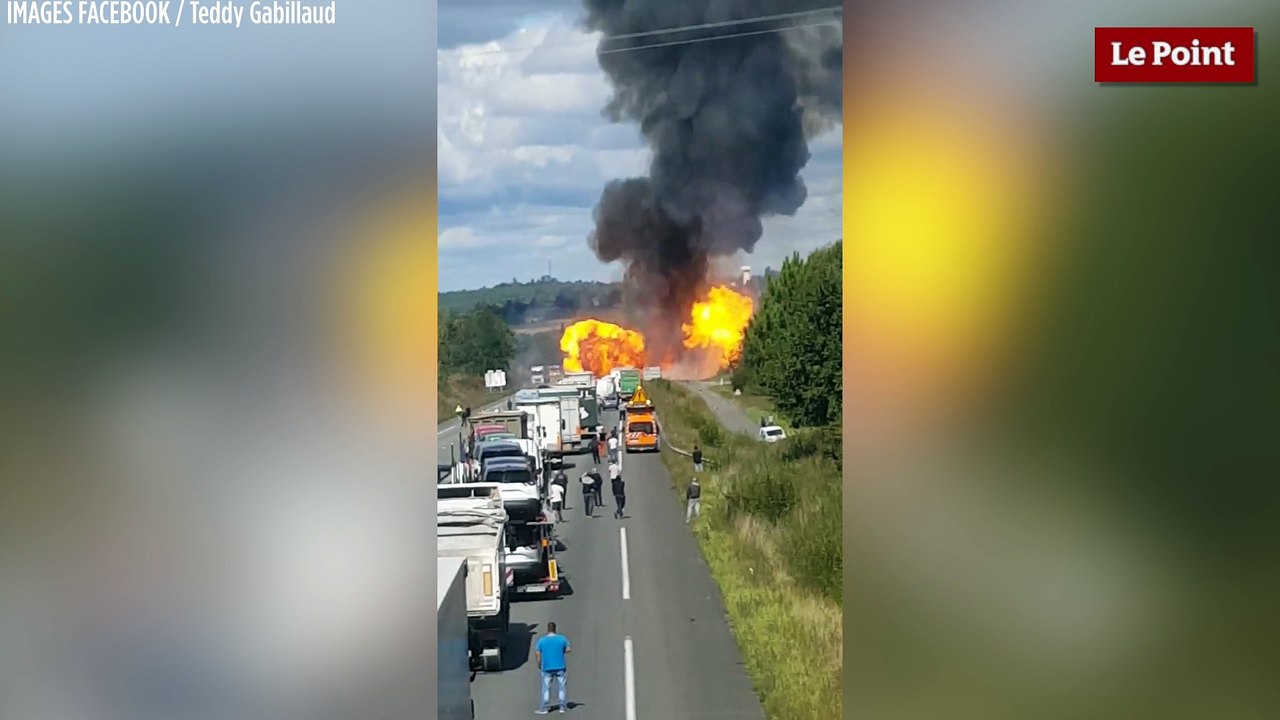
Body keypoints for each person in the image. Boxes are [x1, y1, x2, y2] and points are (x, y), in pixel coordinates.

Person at [534, 622, 571, 714]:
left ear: (547, 629)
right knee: (561, 687)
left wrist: (539, 663)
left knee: (546, 688)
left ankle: (544, 708)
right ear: (555, 629)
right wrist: (560, 651)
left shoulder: (542, 640)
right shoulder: (562, 639)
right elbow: (568, 649)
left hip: (547, 667)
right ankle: (562, 707)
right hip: (560, 666)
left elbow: (537, 653)